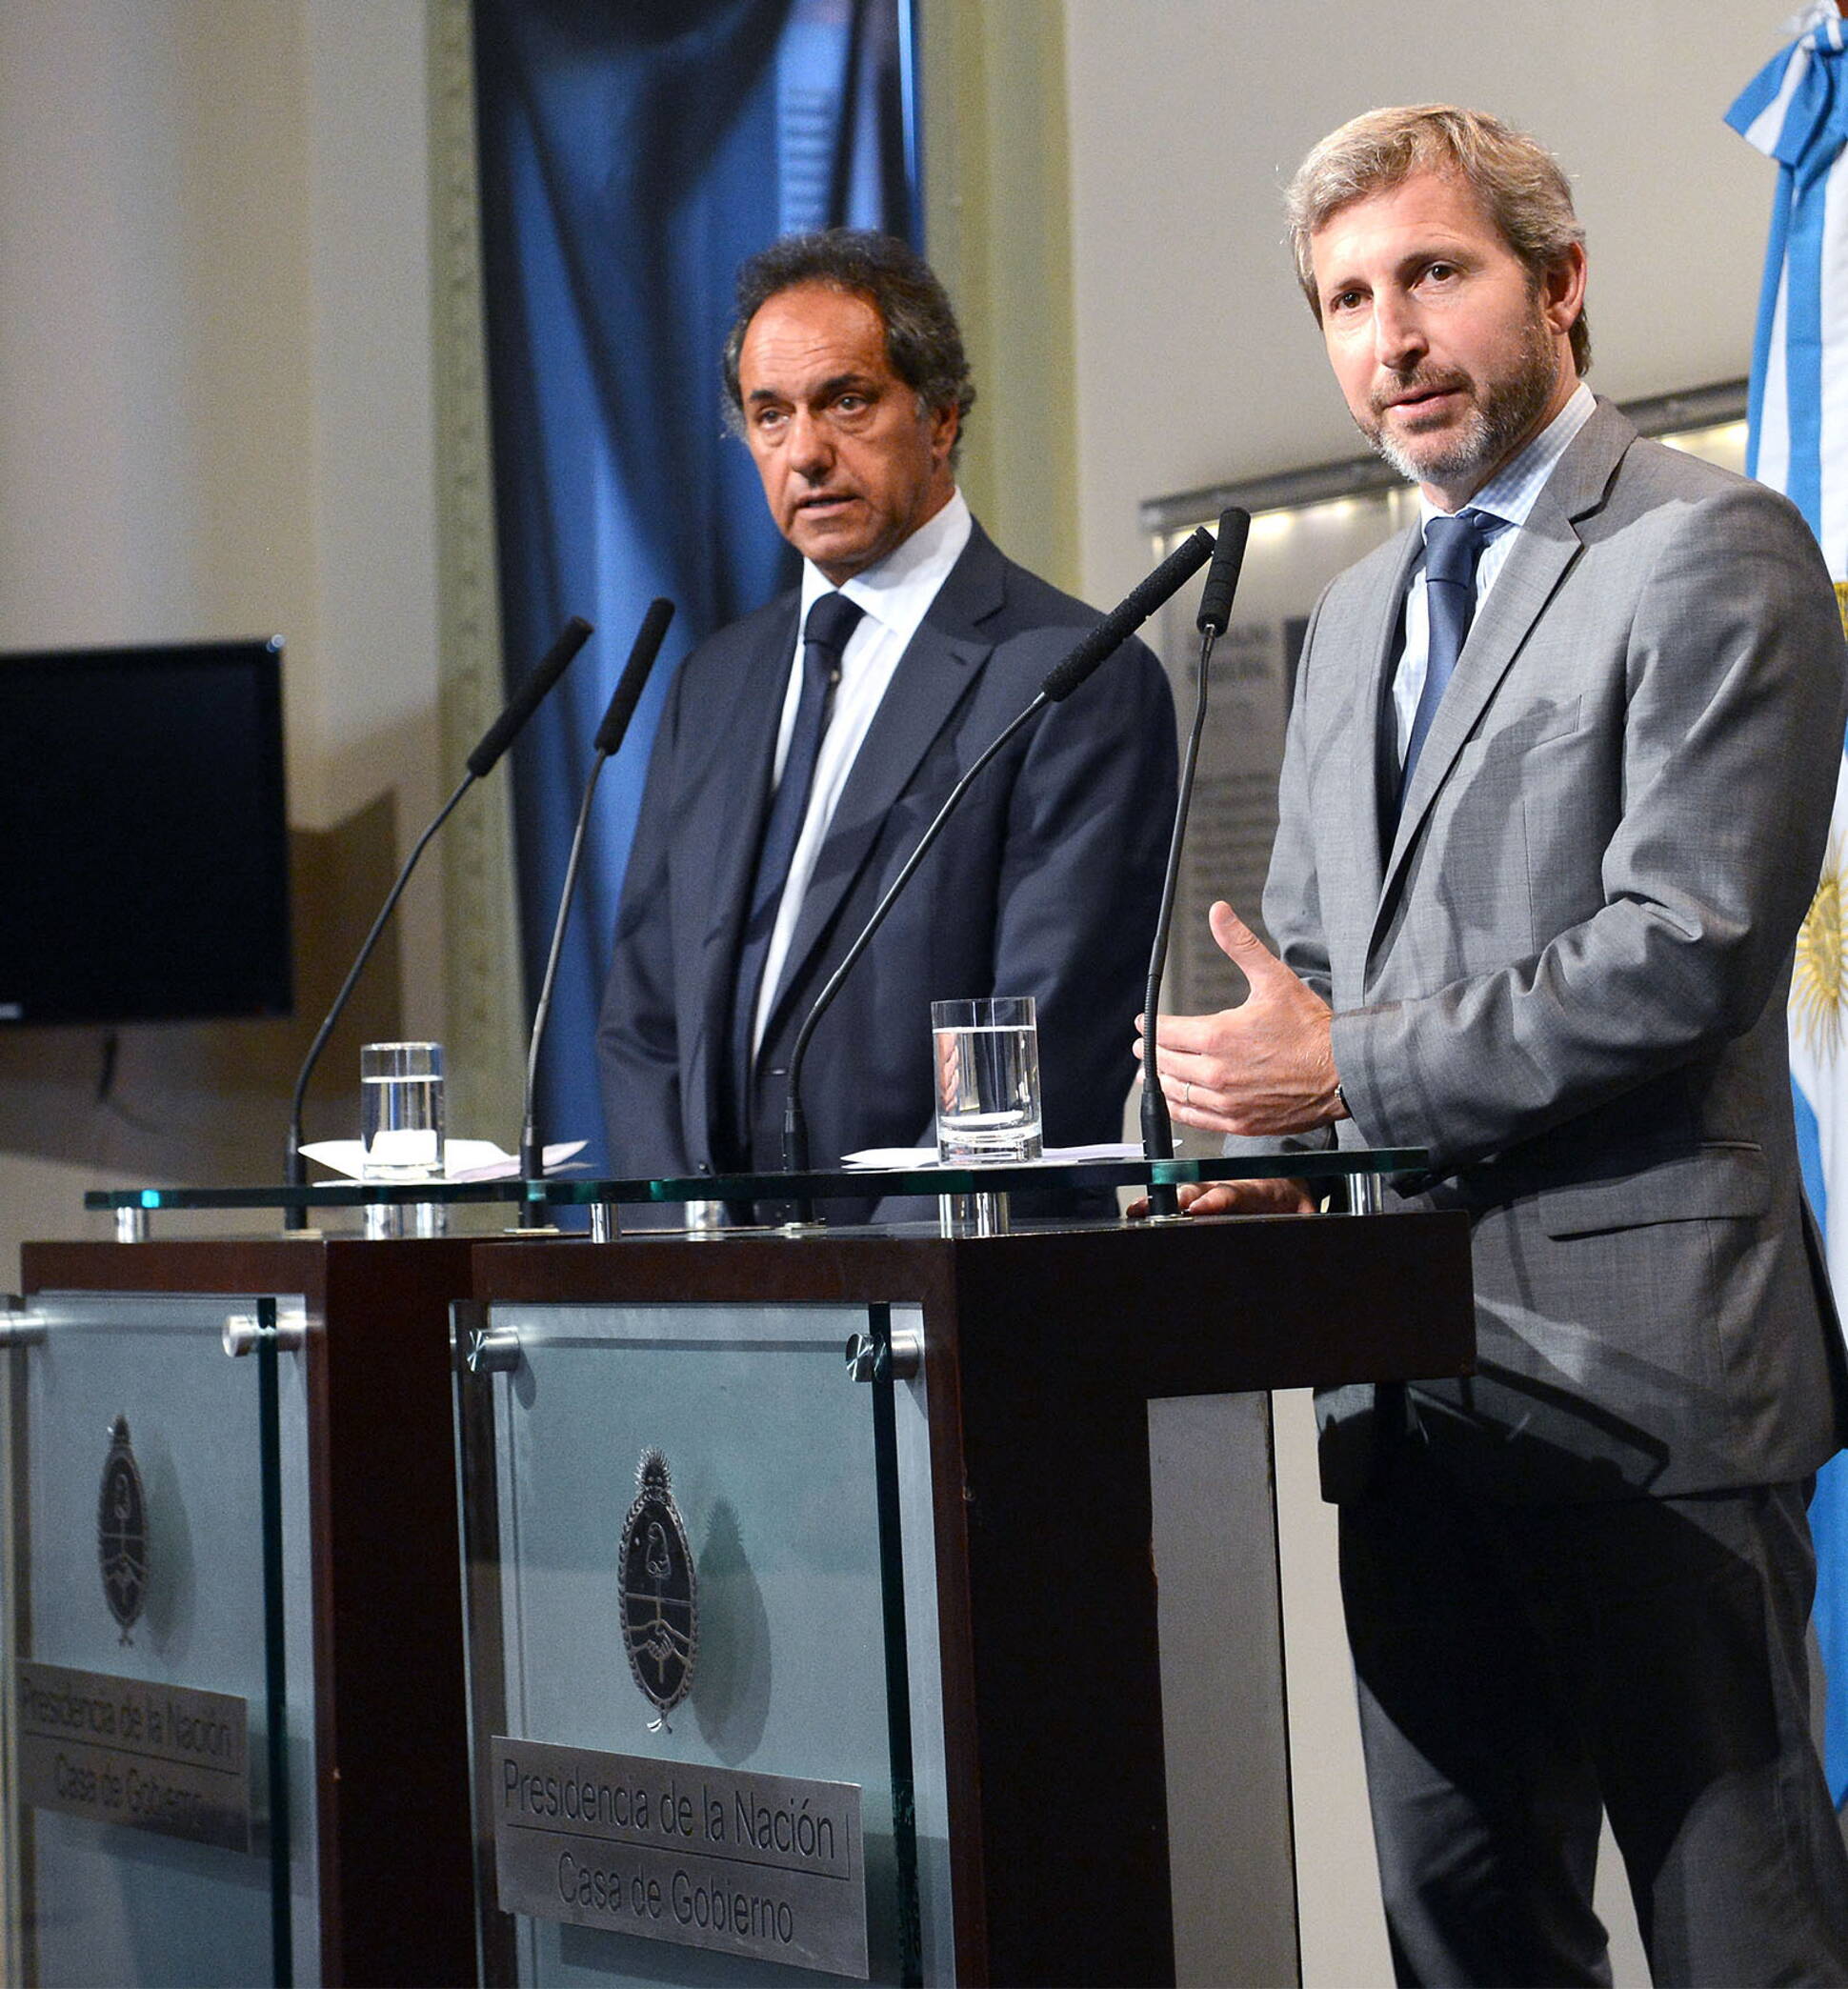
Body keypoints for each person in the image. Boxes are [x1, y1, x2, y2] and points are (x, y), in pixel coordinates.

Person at [1141, 106, 1848, 1983]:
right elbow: (1308, 963)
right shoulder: (1361, 608)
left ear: (1558, 279)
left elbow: (1680, 951)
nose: (1390, 336)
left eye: (1432, 275)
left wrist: (1340, 1082)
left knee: (1740, 1942)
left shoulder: (1711, 548)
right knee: (1460, 1939)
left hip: (1647, 1392)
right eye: (1347, 297)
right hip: (1404, 1395)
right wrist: (1260, 1155)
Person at [598, 230, 1175, 1221]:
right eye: (768, 416)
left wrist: (872, 1286)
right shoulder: (712, 683)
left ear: (941, 415)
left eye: (846, 402)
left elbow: (1046, 1041)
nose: (806, 452)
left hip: (947, 1301)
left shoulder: (1072, 674)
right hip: (722, 1309)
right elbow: (645, 1018)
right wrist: (680, 1260)